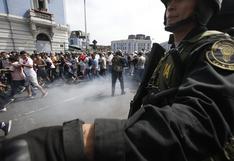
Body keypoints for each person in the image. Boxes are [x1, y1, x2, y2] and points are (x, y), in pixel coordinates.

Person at [1, 0, 234, 161]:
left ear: (204, 5)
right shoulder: (172, 51)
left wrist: (75, 143)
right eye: (167, 0)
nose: (170, 5)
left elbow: (200, 121)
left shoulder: (218, 48)